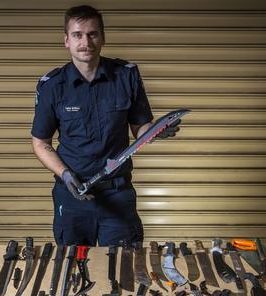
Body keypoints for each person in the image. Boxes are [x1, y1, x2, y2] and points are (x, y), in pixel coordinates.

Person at [31, 4, 180, 247]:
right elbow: (40, 143)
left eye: (92, 34)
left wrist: (156, 131)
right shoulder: (52, 86)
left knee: (123, 268)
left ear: (103, 38)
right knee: (73, 268)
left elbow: (139, 129)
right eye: (78, 35)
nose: (85, 42)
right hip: (71, 197)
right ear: (66, 40)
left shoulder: (126, 75)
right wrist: (66, 175)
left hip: (117, 194)